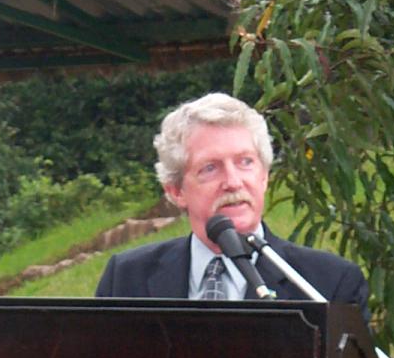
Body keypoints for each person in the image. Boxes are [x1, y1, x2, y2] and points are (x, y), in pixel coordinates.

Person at [95, 93, 369, 312]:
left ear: (264, 176)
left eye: (245, 162)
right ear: (176, 191)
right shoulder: (127, 278)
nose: (233, 181)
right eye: (210, 168)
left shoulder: (328, 283)